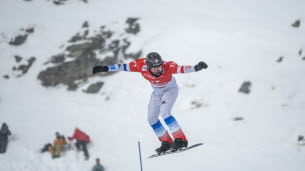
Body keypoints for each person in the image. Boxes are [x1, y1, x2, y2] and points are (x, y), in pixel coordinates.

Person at [92, 52, 208, 154]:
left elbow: (182, 68)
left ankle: (181, 140)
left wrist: (196, 67)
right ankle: (166, 142)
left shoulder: (167, 66)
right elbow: (124, 66)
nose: (158, 70)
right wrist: (106, 68)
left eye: (159, 67)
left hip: (170, 90)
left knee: (165, 112)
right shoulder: (140, 65)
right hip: (157, 93)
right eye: (154, 68)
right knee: (151, 119)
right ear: (148, 67)